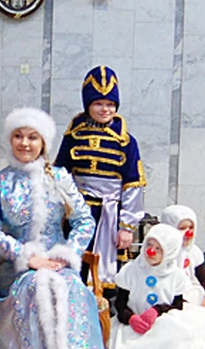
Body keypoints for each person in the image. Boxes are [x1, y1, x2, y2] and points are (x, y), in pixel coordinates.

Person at [0, 107, 111, 349]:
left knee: (65, 287)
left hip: (56, 263)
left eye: (32, 137)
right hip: (15, 268)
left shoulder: (59, 178)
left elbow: (84, 220)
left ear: (43, 143)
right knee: (33, 285)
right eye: (18, 136)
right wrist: (26, 256)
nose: (25, 143)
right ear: (9, 140)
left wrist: (65, 254)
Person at [54, 66, 146, 295]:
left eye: (110, 104)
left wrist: (127, 227)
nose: (105, 109)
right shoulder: (73, 136)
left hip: (110, 215)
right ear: (87, 105)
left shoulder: (126, 142)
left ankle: (105, 318)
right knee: (74, 266)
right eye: (98, 104)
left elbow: (133, 186)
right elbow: (59, 175)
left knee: (108, 277)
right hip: (76, 213)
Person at [109, 224, 205, 349]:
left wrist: (157, 310)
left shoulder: (176, 276)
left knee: (176, 336)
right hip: (132, 323)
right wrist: (130, 318)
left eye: (158, 248)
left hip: (161, 323)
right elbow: (119, 303)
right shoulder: (131, 270)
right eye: (149, 245)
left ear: (169, 252)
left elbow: (177, 306)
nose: (151, 251)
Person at [159, 205, 205, 311]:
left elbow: (203, 277)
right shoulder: (161, 253)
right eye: (182, 228)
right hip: (168, 295)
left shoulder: (193, 251)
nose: (188, 233)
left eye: (191, 228)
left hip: (189, 292)